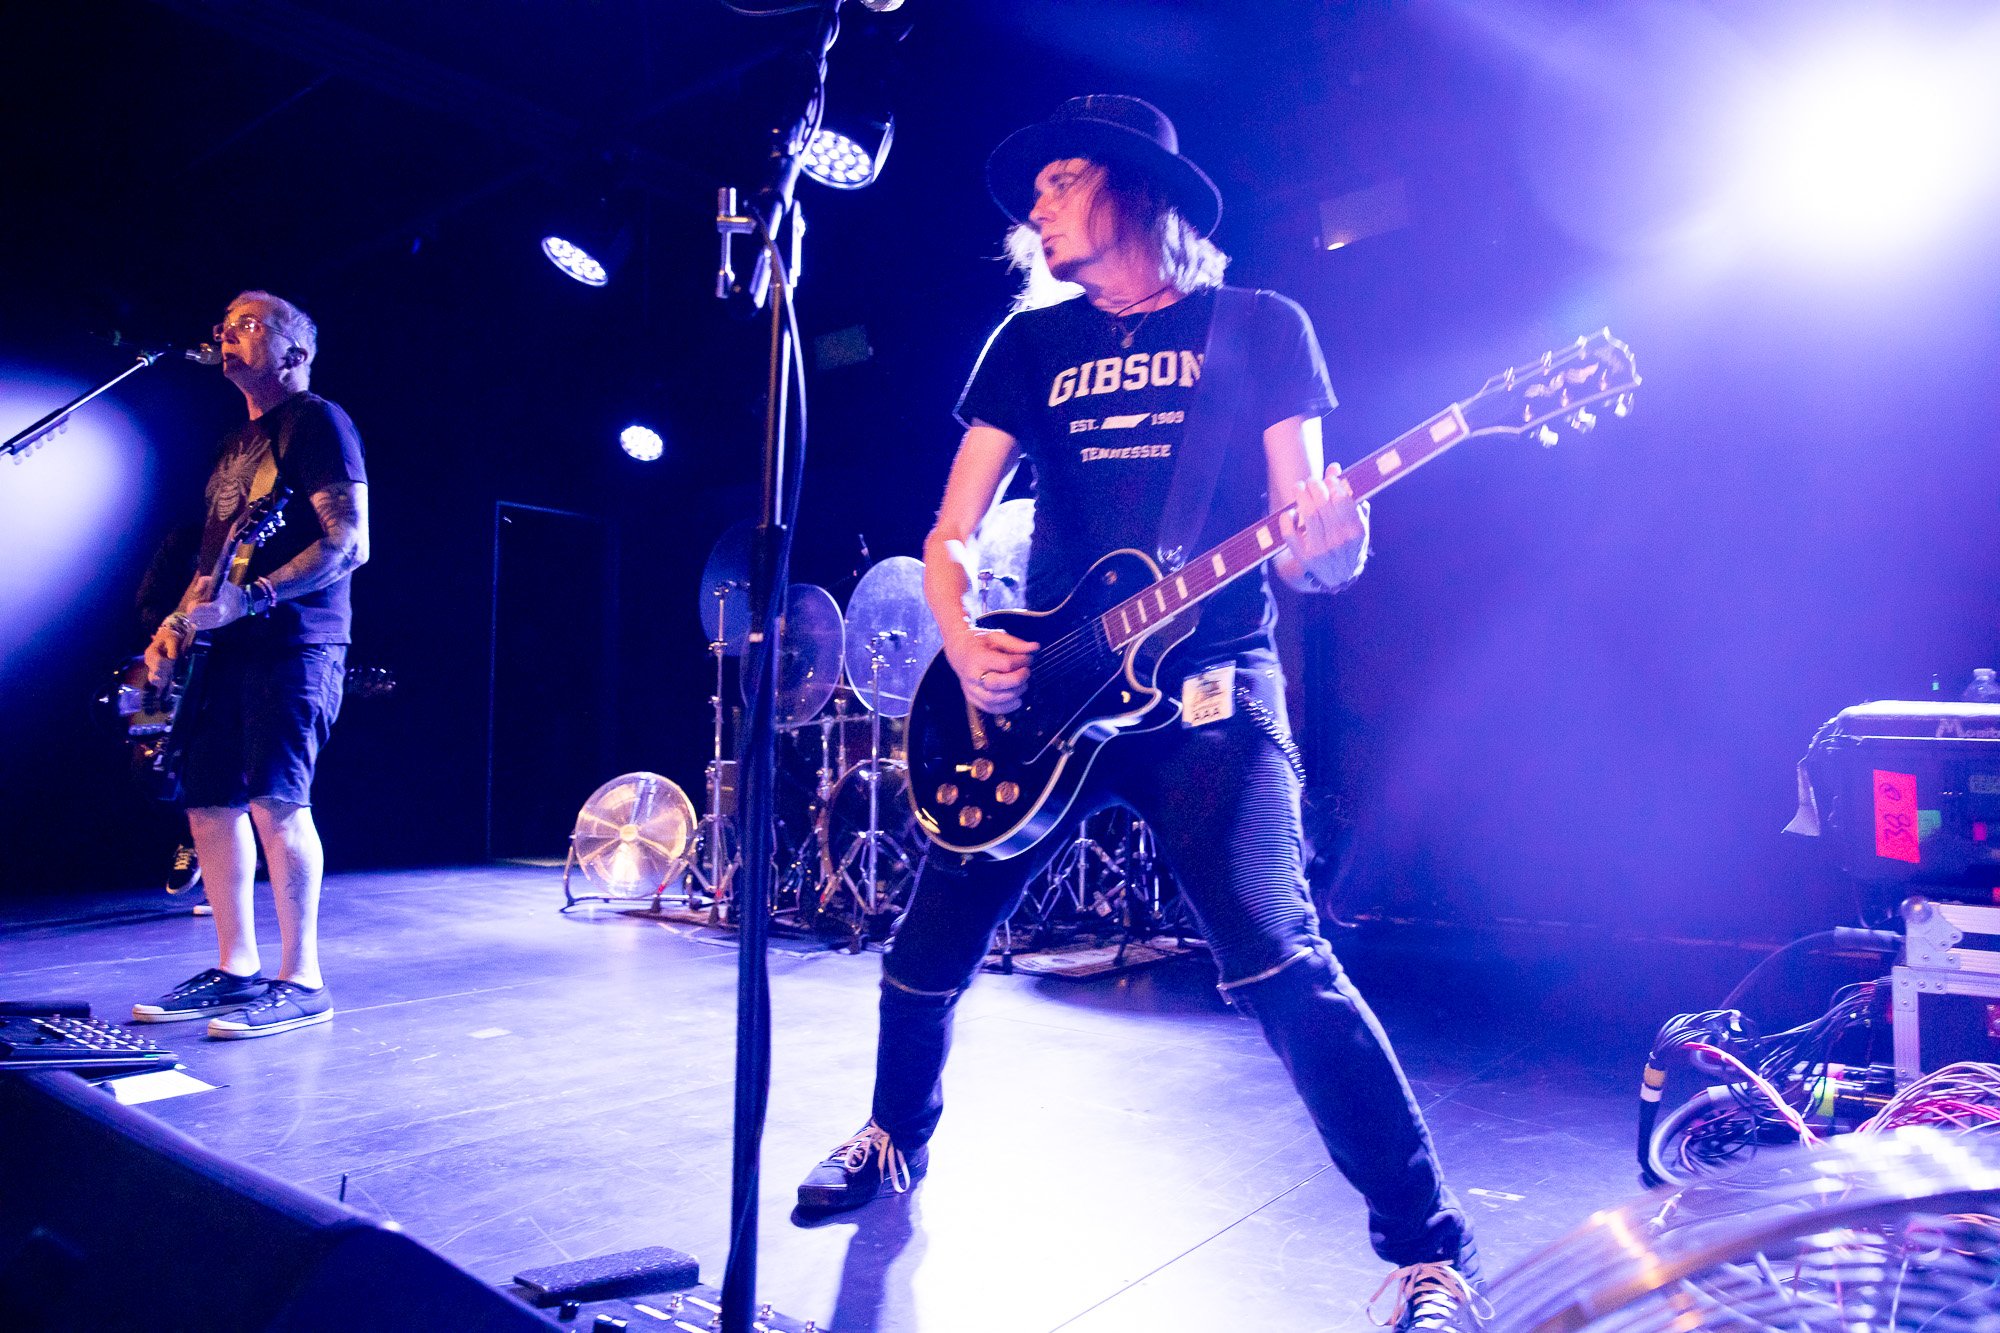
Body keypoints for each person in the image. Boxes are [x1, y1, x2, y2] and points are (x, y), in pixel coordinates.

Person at [795, 97, 1483, 1329]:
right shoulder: (1027, 343)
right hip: (1048, 690)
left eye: (1060, 181)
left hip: (1208, 686)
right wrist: (961, 634)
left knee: (1278, 959)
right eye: (1034, 193)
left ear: (1137, 189)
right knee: (923, 948)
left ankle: (1428, 1252)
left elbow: (1305, 545)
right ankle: (893, 1135)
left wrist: (1334, 539)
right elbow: (950, 531)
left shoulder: (1259, 326)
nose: (1035, 208)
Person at [130, 290, 369, 1040]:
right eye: (225, 324)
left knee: (276, 800)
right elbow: (212, 563)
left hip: (296, 642)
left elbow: (349, 541)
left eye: (248, 324)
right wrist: (173, 627)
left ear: (296, 352)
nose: (226, 332)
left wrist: (258, 595)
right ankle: (236, 967)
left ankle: (303, 980)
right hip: (222, 645)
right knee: (208, 802)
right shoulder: (236, 443)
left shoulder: (319, 421)